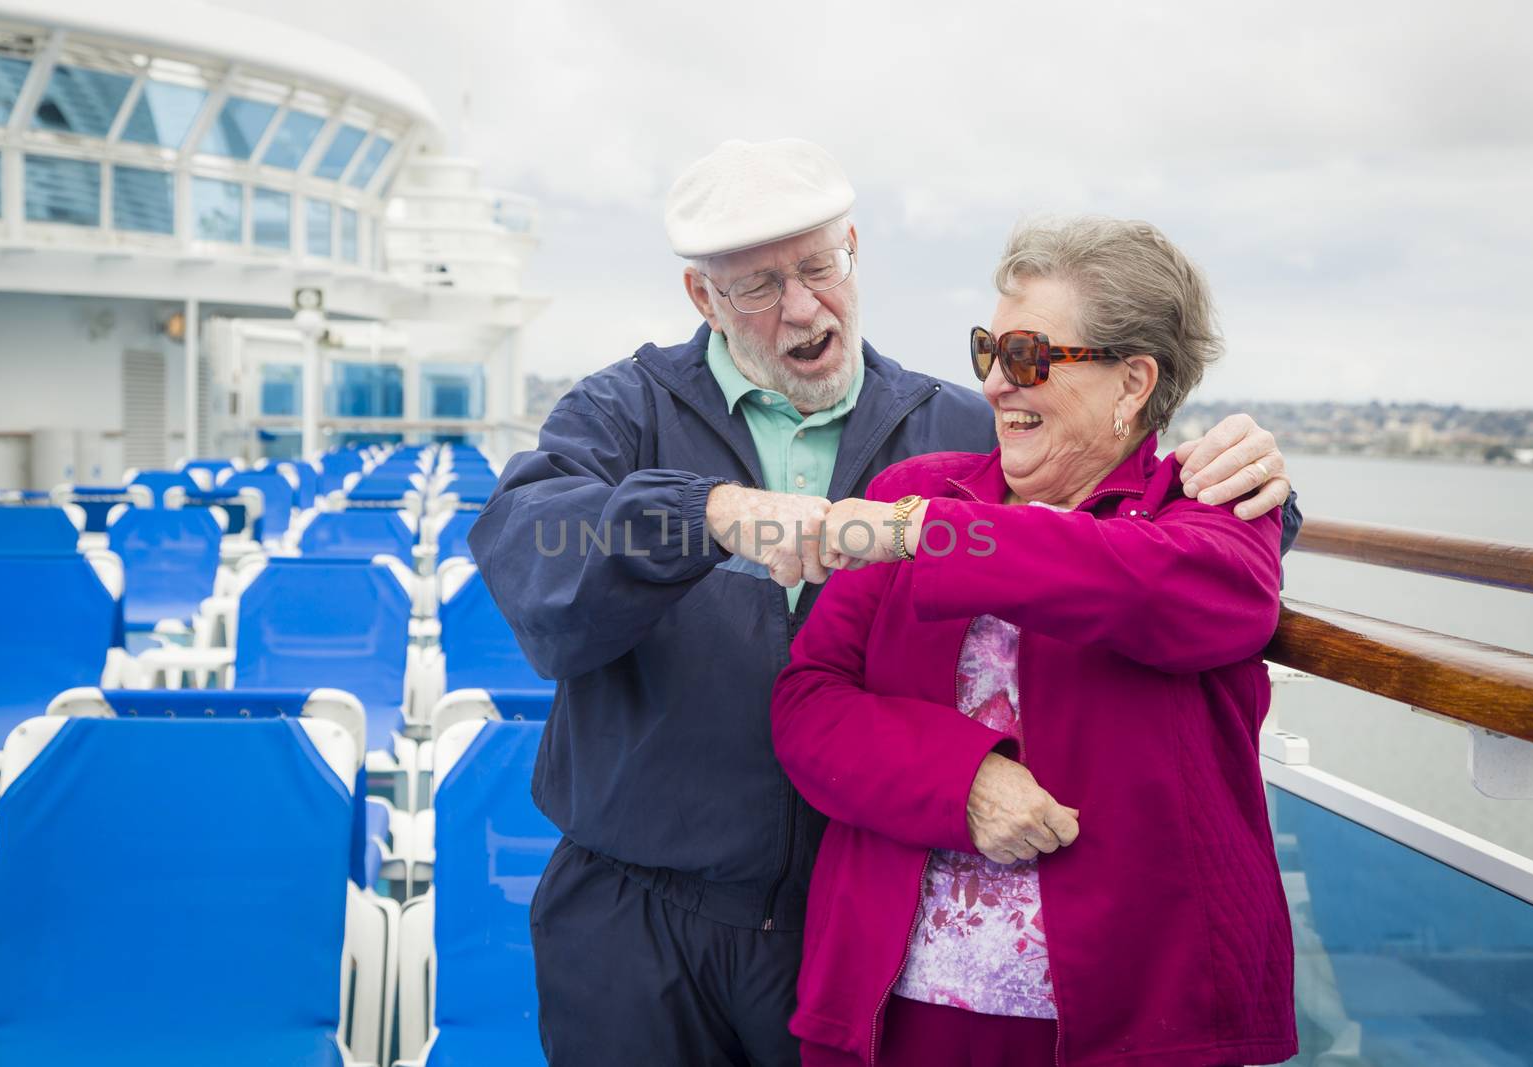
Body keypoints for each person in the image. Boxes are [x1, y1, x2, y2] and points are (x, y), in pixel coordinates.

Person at [470, 140, 1297, 1066]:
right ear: (703, 298)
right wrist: (706, 513)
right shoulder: (624, 412)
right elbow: (530, 546)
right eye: (756, 286)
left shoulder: (947, 439)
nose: (802, 306)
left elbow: (1141, 533)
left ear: (853, 251)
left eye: (819, 267)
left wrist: (1258, 489)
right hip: (637, 918)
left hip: (831, 926)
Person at [771, 215, 1298, 1067]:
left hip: (1138, 1022)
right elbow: (809, 705)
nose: (992, 385)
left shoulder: (1209, 510)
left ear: (1132, 382)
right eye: (988, 350)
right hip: (896, 1009)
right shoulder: (918, 491)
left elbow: (1194, 593)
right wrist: (960, 778)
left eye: (1025, 357)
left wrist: (926, 537)